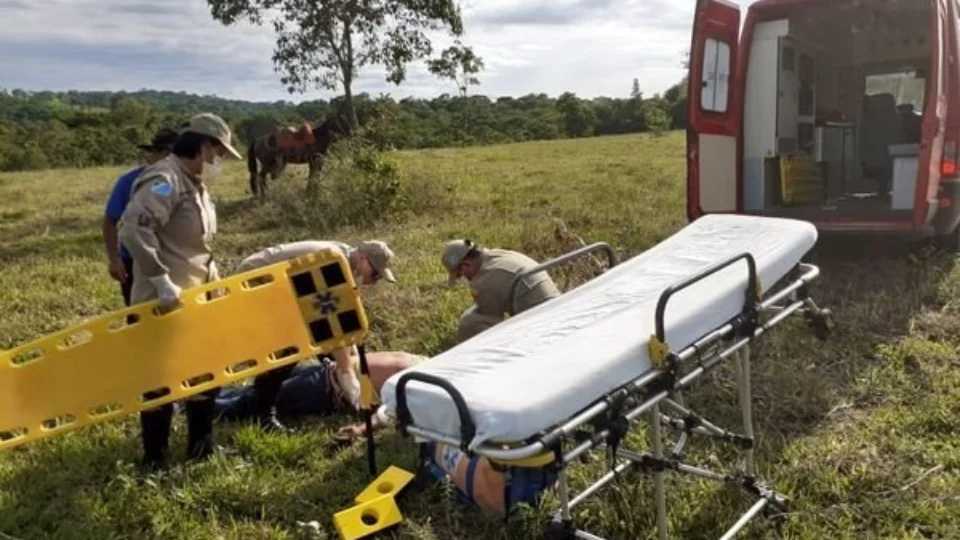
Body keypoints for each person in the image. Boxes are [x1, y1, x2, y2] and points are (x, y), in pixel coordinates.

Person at [118, 112, 243, 471]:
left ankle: (201, 449)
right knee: (160, 377)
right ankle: (154, 459)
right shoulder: (165, 179)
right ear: (203, 145)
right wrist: (159, 279)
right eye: (218, 152)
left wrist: (215, 288)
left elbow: (198, 249)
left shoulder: (194, 184)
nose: (219, 161)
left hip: (195, 299)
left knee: (205, 372)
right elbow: (133, 230)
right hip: (164, 300)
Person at [227, 239, 398, 433]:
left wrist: (351, 371)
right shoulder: (331, 263)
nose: (374, 280)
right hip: (254, 284)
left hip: (283, 288)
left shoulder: (345, 266)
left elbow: (342, 333)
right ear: (361, 258)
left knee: (325, 347)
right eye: (374, 273)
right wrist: (348, 373)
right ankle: (263, 414)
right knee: (290, 346)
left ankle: (355, 399)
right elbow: (329, 324)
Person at [213, 350, 425, 423]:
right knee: (247, 402)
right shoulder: (418, 377)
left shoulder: (419, 362)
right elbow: (388, 410)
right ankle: (193, 404)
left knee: (252, 395)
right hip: (323, 384)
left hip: (323, 374)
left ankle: (197, 400)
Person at [101, 128, 178, 306]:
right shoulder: (130, 181)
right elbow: (110, 221)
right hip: (134, 259)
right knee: (139, 315)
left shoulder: (179, 180)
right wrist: (114, 259)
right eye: (156, 152)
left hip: (169, 258)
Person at [440, 239, 561, 343]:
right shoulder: (499, 254)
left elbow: (493, 322)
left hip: (542, 326)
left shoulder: (482, 282)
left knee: (469, 323)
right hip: (561, 306)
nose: (463, 278)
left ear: (466, 265)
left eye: (459, 275)